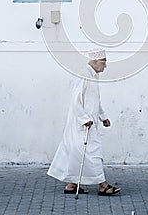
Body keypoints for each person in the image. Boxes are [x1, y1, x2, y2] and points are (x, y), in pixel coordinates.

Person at [47, 48, 121, 196]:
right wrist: (85, 119)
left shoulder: (93, 76)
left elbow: (95, 100)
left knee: (77, 153)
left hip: (89, 122)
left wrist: (103, 117)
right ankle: (103, 185)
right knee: (93, 152)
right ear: (94, 61)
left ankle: (71, 185)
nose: (105, 66)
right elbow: (75, 101)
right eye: (103, 63)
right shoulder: (84, 75)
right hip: (82, 124)